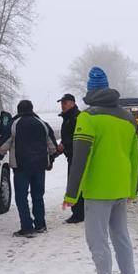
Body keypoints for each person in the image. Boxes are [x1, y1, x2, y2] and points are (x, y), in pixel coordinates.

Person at [63, 66, 138, 274]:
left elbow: (80, 159)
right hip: (120, 188)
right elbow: (135, 156)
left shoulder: (87, 118)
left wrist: (72, 194)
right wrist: (132, 189)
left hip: (97, 190)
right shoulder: (128, 118)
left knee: (97, 240)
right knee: (121, 236)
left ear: (90, 91)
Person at [0, 100, 58, 238]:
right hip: (39, 167)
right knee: (38, 195)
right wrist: (50, 160)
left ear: (18, 110)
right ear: (32, 108)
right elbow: (53, 146)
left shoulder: (14, 124)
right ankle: (40, 225)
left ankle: (27, 227)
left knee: (21, 197)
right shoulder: (42, 124)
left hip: (21, 167)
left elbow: (3, 145)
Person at [57, 93, 84, 223]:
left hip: (77, 156)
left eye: (65, 102)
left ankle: (79, 213)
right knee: (75, 184)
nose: (62, 105)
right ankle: (79, 212)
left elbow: (78, 137)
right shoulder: (68, 118)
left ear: (72, 103)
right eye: (61, 103)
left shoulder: (77, 117)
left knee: (75, 184)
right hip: (71, 154)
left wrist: (64, 145)